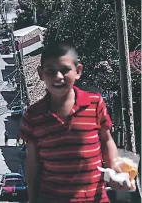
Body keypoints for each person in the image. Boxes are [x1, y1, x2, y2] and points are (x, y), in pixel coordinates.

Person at [20, 41, 136, 203]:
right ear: (40, 73)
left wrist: (115, 169)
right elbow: (32, 164)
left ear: (78, 71)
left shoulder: (95, 103)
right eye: (51, 71)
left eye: (65, 70)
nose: (58, 76)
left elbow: (106, 140)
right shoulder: (33, 116)